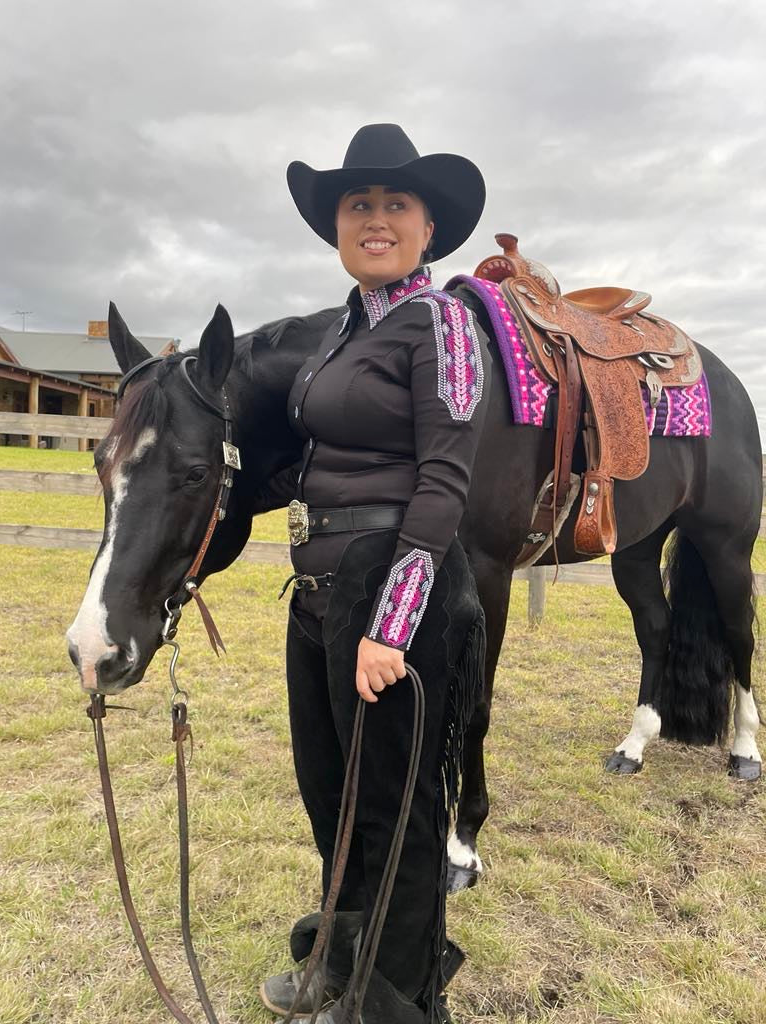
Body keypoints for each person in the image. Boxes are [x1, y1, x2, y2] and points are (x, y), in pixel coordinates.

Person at [256, 123, 491, 1024]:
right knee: (334, 794)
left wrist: (390, 626)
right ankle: (341, 962)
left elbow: (444, 486)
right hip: (320, 591)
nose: (376, 219)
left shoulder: (444, 323)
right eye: (360, 205)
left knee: (398, 808)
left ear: (428, 228)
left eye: (396, 204)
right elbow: (316, 457)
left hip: (398, 592)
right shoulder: (345, 330)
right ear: (339, 227)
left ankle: (394, 1000)